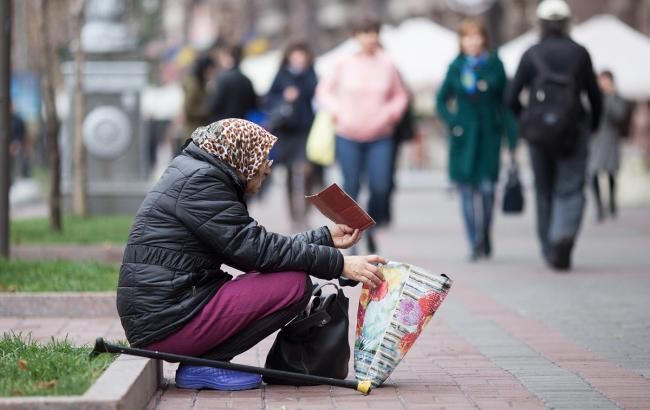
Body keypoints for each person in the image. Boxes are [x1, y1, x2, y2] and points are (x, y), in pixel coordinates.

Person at [116, 118, 386, 391]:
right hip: (165, 322)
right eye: (261, 157)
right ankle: (206, 364)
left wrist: (324, 238)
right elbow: (258, 251)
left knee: (286, 276)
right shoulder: (201, 182)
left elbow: (253, 248)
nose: (267, 168)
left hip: (167, 314)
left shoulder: (197, 173)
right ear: (239, 155)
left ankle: (204, 362)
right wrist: (339, 264)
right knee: (292, 285)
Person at [506, 0, 602, 271]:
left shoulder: (531, 53)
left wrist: (528, 120)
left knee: (544, 190)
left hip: (538, 136)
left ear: (540, 23)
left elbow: (511, 97)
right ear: (567, 22)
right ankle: (564, 236)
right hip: (574, 131)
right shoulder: (580, 53)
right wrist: (591, 125)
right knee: (570, 188)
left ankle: (549, 246)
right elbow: (594, 96)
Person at [316, 17, 408, 253]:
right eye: (365, 33)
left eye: (373, 33)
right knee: (351, 187)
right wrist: (338, 112)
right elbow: (324, 91)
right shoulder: (343, 63)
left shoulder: (388, 64)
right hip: (348, 133)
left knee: (380, 185)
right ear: (356, 37)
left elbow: (401, 96)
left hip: (380, 135)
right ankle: (352, 236)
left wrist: (390, 114)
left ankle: (372, 227)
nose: (370, 38)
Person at [436, 18, 517, 260]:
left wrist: (512, 138)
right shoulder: (456, 67)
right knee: (467, 191)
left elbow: (506, 104)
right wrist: (454, 122)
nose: (472, 42)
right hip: (463, 138)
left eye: (476, 36)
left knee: (488, 189)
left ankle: (485, 233)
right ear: (461, 41)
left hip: (489, 137)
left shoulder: (495, 65)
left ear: (484, 39)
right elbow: (441, 100)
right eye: (466, 37)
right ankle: (474, 241)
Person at [266, 42, 319, 228]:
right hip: (286, 131)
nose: (299, 60)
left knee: (306, 171)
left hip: (306, 130)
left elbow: (318, 96)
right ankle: (293, 216)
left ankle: (304, 211)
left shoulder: (312, 75)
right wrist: (284, 97)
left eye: (302, 56)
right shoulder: (281, 75)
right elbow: (269, 98)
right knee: (288, 172)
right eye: (295, 56)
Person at [589, 70, 630, 222]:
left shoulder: (616, 98)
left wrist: (610, 96)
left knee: (611, 173)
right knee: (593, 173)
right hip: (595, 141)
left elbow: (619, 115)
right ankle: (599, 207)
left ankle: (612, 204)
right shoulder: (593, 96)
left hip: (611, 141)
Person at [208, 44, 258, 121]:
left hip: (224, 125)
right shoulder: (247, 80)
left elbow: (214, 105)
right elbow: (253, 104)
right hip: (242, 124)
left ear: (230, 58)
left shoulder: (222, 78)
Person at [180, 55, 216, 151]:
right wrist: (208, 110)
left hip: (197, 131)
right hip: (193, 132)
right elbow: (189, 110)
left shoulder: (201, 83)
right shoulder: (194, 86)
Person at [9, 104, 30, 184]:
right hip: (8, 145)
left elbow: (23, 134)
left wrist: (18, 144)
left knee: (20, 163)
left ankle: (21, 179)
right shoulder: (6, 119)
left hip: (18, 145)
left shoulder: (19, 120)